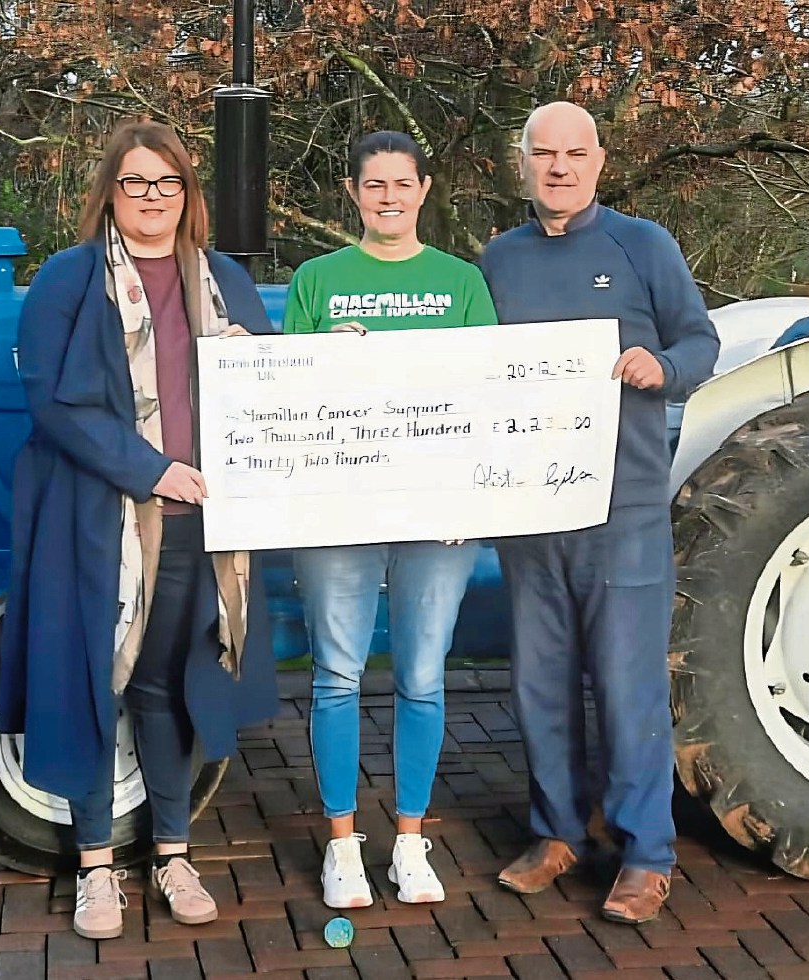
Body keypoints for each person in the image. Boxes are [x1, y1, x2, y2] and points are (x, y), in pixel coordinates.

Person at [0, 119, 279, 940]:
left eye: (168, 183)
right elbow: (52, 402)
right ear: (110, 194)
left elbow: (268, 381)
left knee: (164, 682)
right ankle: (95, 866)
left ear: (188, 193)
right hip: (100, 518)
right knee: (97, 678)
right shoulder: (68, 280)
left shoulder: (222, 278)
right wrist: (148, 469)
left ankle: (172, 853)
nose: (152, 198)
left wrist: (327, 354)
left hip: (197, 524)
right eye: (135, 183)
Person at [480, 102, 720, 924]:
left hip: (623, 507)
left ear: (599, 162)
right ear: (522, 163)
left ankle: (645, 854)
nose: (558, 168)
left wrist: (663, 366)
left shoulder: (642, 244)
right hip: (528, 512)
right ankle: (556, 833)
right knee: (539, 684)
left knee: (626, 688)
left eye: (574, 155)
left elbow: (700, 343)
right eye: (542, 154)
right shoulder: (497, 260)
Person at [283, 131, 498, 909]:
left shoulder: (461, 282)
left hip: (436, 513)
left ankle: (410, 838)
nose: (388, 198)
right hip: (338, 509)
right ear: (353, 192)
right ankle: (344, 845)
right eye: (373, 185)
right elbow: (284, 400)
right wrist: (321, 358)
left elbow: (487, 395)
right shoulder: (318, 279)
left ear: (424, 189)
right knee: (338, 676)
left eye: (401, 184)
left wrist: (469, 497)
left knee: (421, 677)